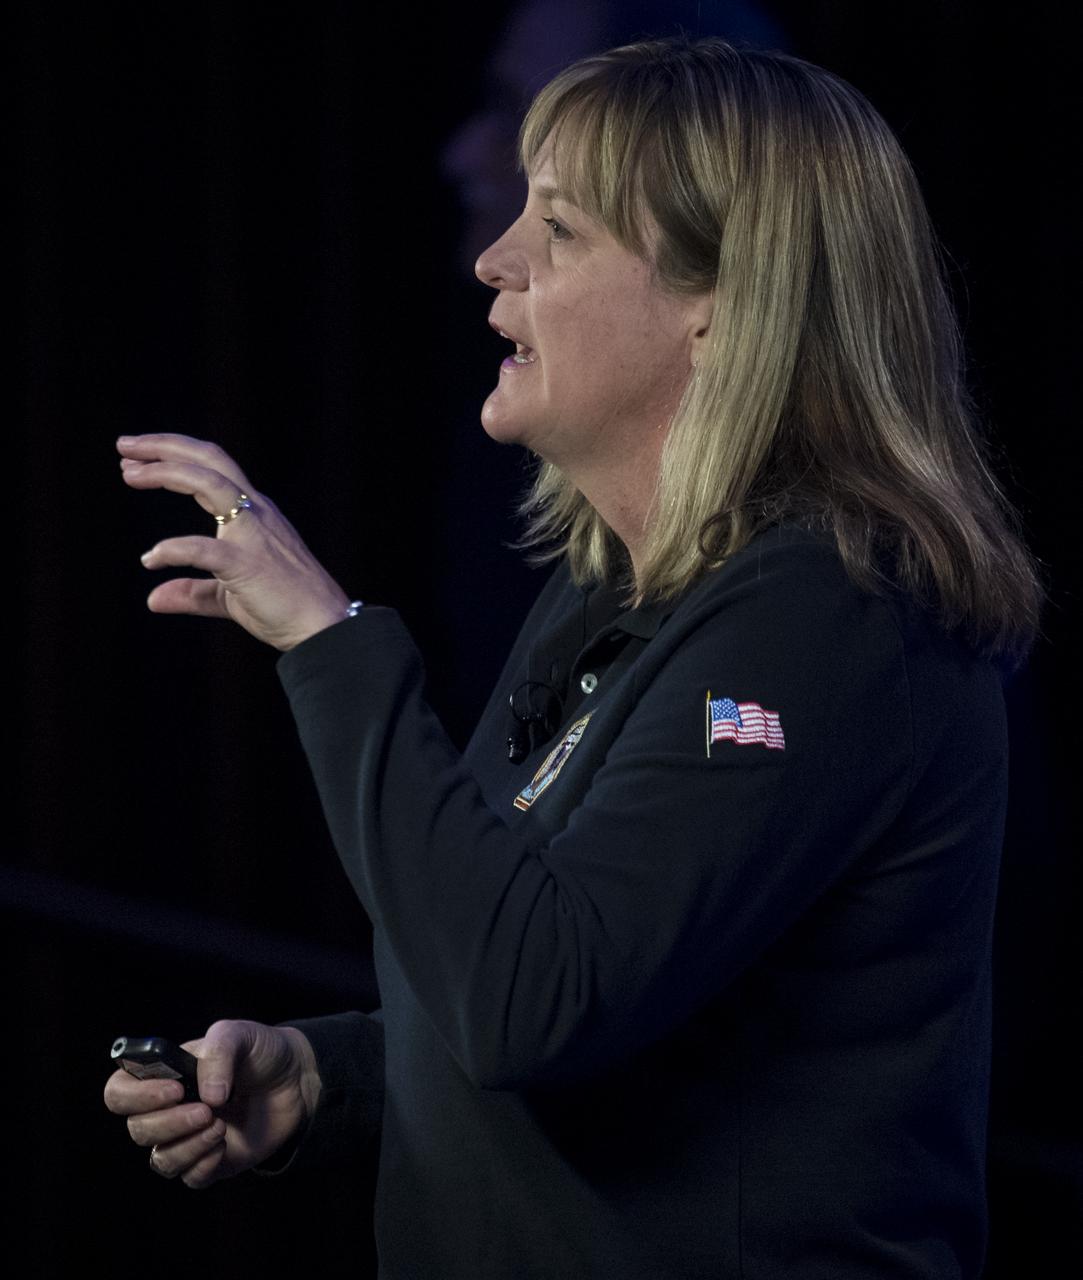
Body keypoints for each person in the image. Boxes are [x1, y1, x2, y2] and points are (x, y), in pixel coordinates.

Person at [104, 36, 1042, 1280]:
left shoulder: (842, 610)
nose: (495, 261)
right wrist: (331, 1076)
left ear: (721, 296)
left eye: (559, 230)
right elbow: (571, 976)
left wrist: (328, 643)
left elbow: (535, 1005)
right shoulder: (609, 589)